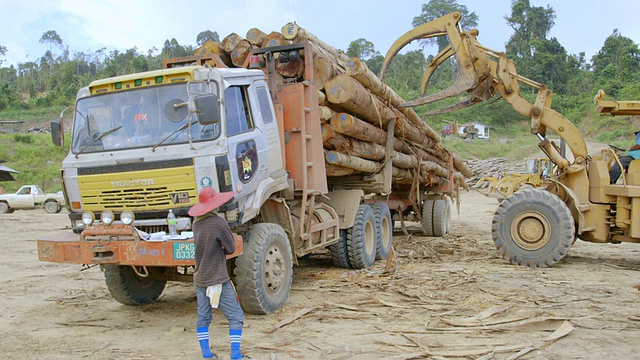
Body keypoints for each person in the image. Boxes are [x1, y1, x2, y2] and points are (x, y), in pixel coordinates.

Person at [188, 186, 244, 360]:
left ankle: (207, 354)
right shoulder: (219, 223)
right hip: (218, 277)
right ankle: (235, 355)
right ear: (215, 205)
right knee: (236, 316)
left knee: (204, 317)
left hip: (200, 278)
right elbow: (231, 248)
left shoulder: (196, 224)